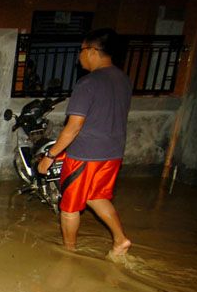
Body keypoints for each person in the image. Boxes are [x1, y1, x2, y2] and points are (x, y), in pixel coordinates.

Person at [38, 28, 132, 257]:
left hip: (85, 154)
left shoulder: (87, 83)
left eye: (81, 50)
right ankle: (120, 240)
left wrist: (50, 157)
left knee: (69, 207)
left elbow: (74, 126)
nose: (79, 56)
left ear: (92, 51)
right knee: (96, 196)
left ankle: (69, 253)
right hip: (113, 152)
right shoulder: (123, 79)